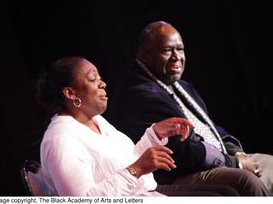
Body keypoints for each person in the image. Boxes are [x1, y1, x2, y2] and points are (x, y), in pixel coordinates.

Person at [107, 21, 272, 195]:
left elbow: (210, 129)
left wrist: (236, 153)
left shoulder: (180, 85)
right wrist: (235, 163)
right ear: (144, 55)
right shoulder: (142, 95)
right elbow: (182, 153)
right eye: (166, 50)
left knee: (270, 165)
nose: (176, 57)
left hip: (218, 158)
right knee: (246, 182)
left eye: (180, 49)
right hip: (180, 173)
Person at [37, 56, 240, 196]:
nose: (102, 84)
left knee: (227, 192)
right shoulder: (60, 140)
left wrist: (153, 135)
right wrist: (137, 168)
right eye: (93, 79)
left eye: (99, 78)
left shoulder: (96, 121)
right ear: (70, 93)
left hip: (145, 192)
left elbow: (122, 163)